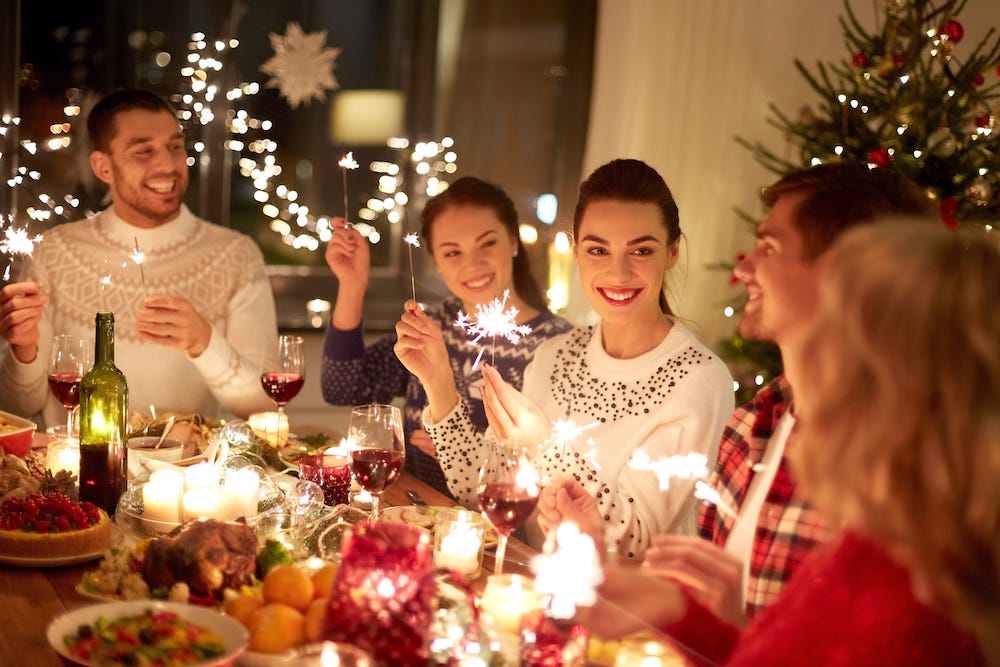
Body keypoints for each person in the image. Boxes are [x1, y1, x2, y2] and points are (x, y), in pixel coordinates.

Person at [537, 161, 936, 625]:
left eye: (769, 246)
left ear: (846, 271)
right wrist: (599, 552)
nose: (743, 266)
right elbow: (729, 632)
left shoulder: (906, 465)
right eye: (598, 249)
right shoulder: (753, 427)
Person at [584, 222, 997, 666]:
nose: (804, 360)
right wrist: (679, 612)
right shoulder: (879, 541)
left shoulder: (905, 599)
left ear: (896, 379)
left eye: (827, 331)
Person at [396, 158, 735, 559]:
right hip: (536, 588)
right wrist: (438, 383)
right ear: (576, 251)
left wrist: (544, 446)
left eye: (641, 250)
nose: (618, 272)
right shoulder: (557, 352)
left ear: (673, 251)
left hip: (621, 611)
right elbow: (481, 489)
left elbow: (636, 544)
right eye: (598, 249)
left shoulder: (698, 379)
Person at [0, 88, 277, 425]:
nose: (168, 165)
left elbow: (263, 404)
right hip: (74, 473)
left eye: (175, 147)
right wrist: (23, 352)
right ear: (103, 167)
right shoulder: (53, 253)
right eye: (143, 151)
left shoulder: (235, 255)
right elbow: (17, 408)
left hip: (187, 473)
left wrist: (204, 342)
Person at [320, 176, 572, 497]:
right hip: (413, 512)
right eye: (453, 253)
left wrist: (460, 450)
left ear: (513, 242)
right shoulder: (432, 325)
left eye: (488, 243)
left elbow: (557, 471)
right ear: (436, 262)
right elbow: (343, 387)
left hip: (495, 531)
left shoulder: (558, 346)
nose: (473, 263)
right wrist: (352, 284)